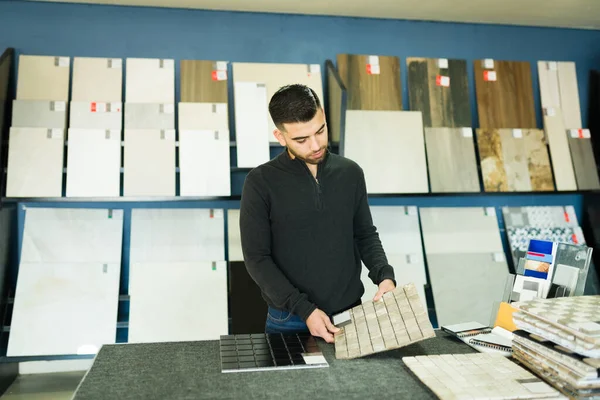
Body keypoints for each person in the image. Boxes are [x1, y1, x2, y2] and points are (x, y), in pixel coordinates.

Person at [239, 84, 396, 343]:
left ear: (323, 116)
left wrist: (385, 277)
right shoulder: (260, 183)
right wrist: (305, 310)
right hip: (290, 320)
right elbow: (257, 259)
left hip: (350, 314)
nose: (315, 145)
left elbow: (364, 234)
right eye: (301, 139)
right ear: (280, 136)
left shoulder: (350, 173)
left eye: (320, 131)